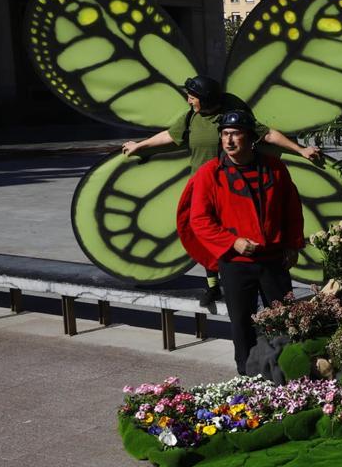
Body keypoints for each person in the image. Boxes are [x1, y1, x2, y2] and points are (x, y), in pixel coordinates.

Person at [122, 75, 320, 311]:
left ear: (205, 100)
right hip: (202, 184)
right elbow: (169, 136)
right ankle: (212, 285)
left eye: (192, 97)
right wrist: (140, 147)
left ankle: (242, 284)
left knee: (236, 232)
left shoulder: (231, 114)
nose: (188, 100)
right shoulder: (191, 117)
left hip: (231, 185)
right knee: (200, 232)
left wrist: (300, 150)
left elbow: (267, 134)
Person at [177, 109, 305, 375]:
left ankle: (286, 374)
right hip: (235, 263)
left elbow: (291, 208)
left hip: (272, 260)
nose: (229, 140)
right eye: (225, 134)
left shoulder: (274, 168)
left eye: (235, 134)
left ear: (251, 138)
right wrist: (232, 242)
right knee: (242, 325)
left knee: (284, 320)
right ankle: (247, 375)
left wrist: (293, 244)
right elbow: (199, 220)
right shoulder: (209, 173)